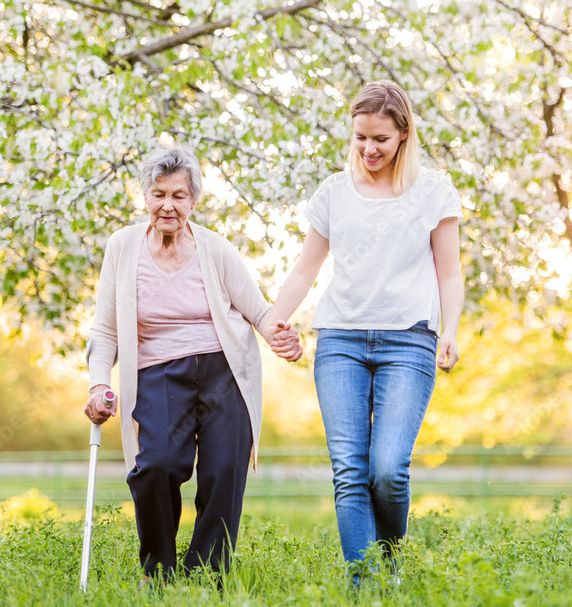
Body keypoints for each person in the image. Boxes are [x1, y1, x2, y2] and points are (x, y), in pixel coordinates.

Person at [263, 80, 464, 583]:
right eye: (360, 138)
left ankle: (389, 566)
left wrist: (450, 330)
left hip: (409, 340)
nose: (369, 149)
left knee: (389, 467)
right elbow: (305, 270)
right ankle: (363, 587)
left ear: (403, 135)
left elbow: (449, 272)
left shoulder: (433, 191)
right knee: (349, 471)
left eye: (380, 139)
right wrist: (270, 320)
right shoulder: (333, 193)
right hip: (340, 342)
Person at [83, 146, 300, 585]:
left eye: (179, 196)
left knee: (224, 472)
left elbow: (258, 312)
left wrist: (280, 336)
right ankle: (157, 572)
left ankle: (206, 576)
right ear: (145, 195)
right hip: (159, 373)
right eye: (159, 193)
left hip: (224, 371)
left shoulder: (215, 249)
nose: (168, 205)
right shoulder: (123, 248)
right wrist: (96, 384)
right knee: (157, 465)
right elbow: (105, 331)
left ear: (193, 201)